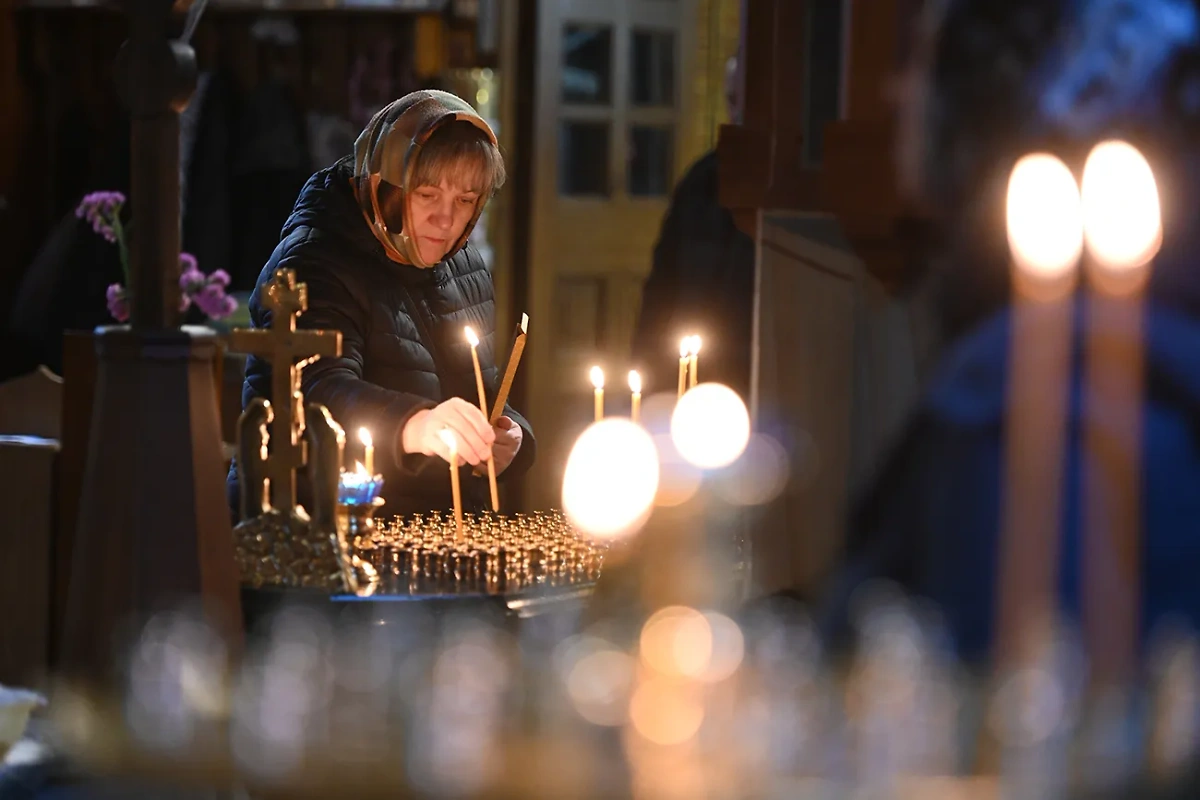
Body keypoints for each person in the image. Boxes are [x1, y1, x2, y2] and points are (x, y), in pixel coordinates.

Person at [820, 0, 1200, 661]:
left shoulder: (1038, 400)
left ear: (994, 87)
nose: (895, 90)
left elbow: (1012, 710)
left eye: (919, 61)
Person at [226, 89, 534, 519]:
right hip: (315, 527)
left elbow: (475, 389)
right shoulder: (314, 262)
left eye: (464, 201)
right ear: (383, 184)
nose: (446, 221)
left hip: (435, 529)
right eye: (427, 195)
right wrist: (416, 425)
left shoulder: (465, 265)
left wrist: (506, 438)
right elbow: (316, 391)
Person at [630, 56, 755, 400]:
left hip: (749, 374)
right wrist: (647, 368)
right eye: (732, 99)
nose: (738, 110)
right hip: (689, 369)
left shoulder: (783, 193)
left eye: (747, 98)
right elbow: (662, 283)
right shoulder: (701, 179)